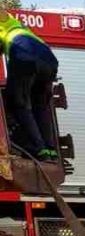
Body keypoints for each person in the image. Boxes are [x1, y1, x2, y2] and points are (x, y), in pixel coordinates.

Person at [0, 11, 59, 161]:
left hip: (24, 55)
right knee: (40, 105)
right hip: (49, 59)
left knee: (18, 103)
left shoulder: (4, 25)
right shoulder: (15, 23)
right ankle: (50, 150)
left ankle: (37, 148)